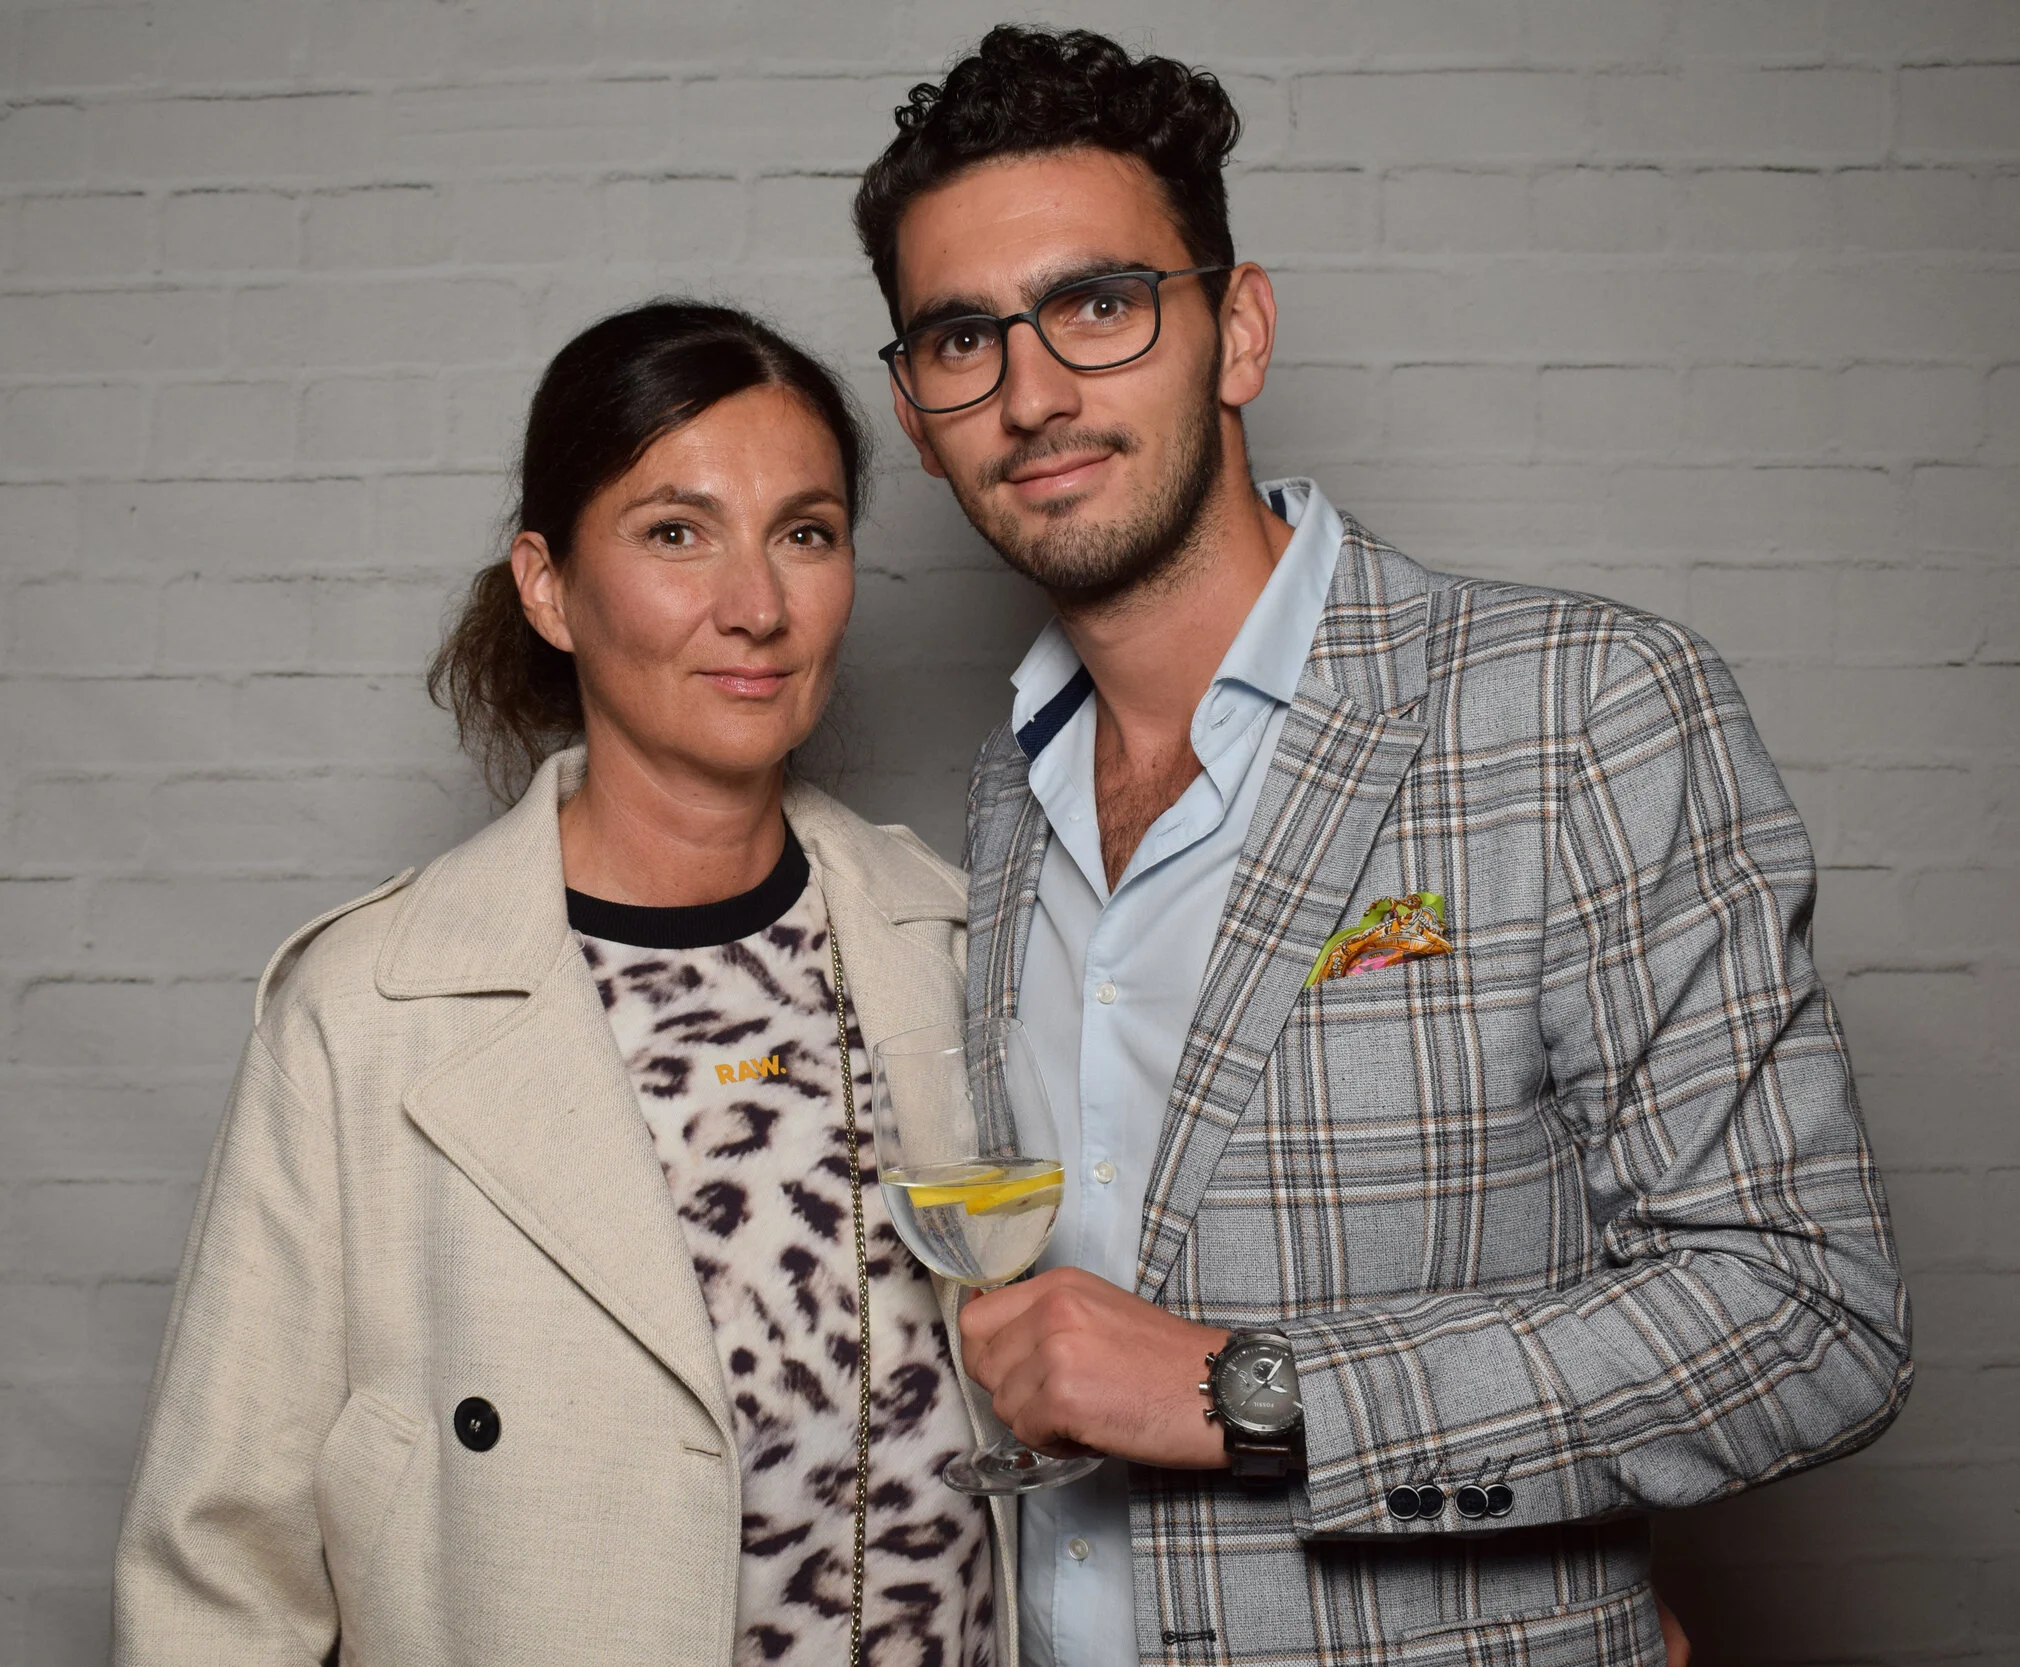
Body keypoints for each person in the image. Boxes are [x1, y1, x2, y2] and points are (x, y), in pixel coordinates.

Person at [851, 26, 1910, 1667]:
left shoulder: (1579, 708)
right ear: (919, 417)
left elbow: (1807, 1312)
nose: (1034, 391)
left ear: (1239, 332)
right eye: (962, 339)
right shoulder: (1006, 798)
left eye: (1100, 304)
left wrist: (1247, 1393)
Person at [111, 301, 1011, 1666]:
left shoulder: (942, 941)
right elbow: (218, 1569)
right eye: (676, 532)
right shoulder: (370, 1011)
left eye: (806, 533)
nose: (758, 606)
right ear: (547, 586)